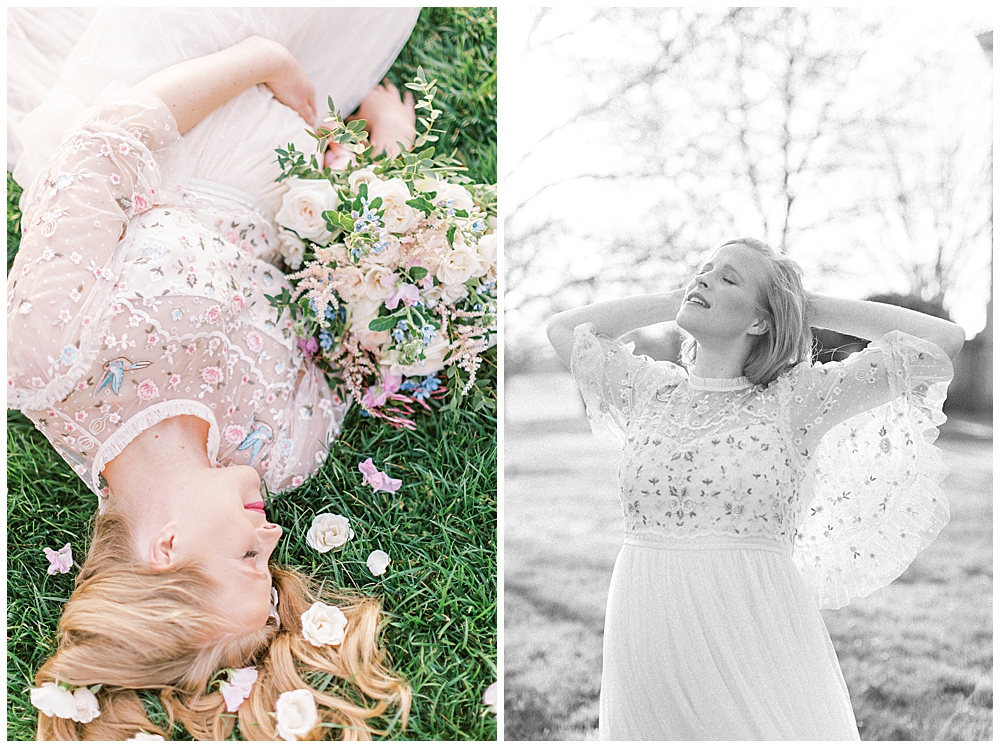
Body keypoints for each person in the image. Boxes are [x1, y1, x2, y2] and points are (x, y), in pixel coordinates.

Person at [7, 9, 422, 741]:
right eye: (271, 563)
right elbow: (351, 308)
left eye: (246, 557)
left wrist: (259, 60)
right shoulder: (282, 456)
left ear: (165, 548)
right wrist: (380, 158)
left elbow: (107, 147)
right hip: (296, 152)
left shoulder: (47, 365)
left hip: (176, 102)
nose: (275, 538)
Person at [546, 237, 964, 740]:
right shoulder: (648, 391)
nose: (705, 279)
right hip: (644, 612)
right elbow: (564, 329)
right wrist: (681, 298)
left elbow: (944, 341)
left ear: (760, 320)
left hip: (751, 615)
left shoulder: (798, 399)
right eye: (705, 269)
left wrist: (804, 306)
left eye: (729, 279)